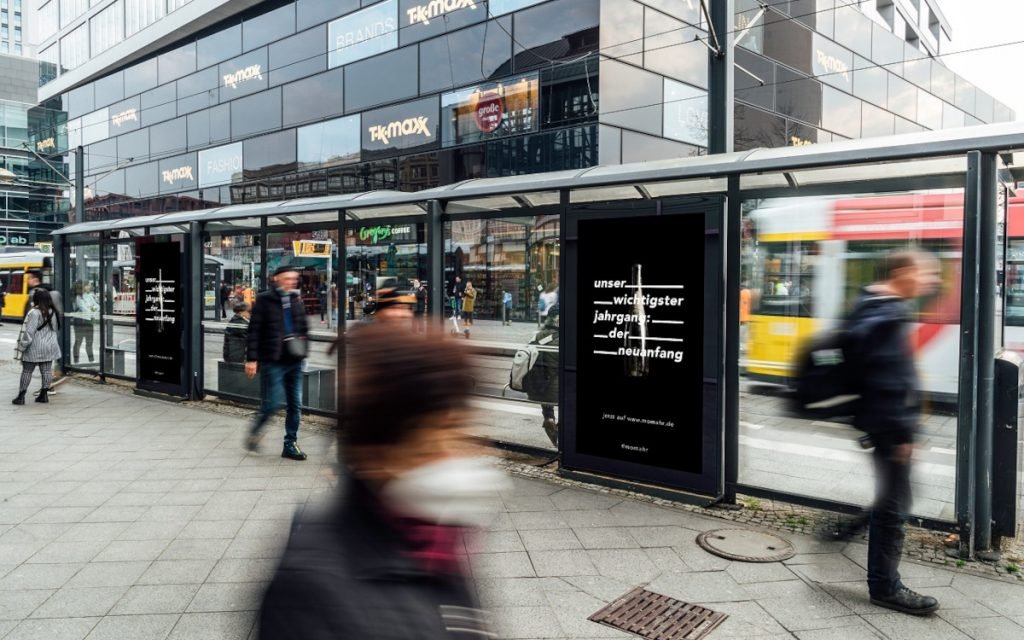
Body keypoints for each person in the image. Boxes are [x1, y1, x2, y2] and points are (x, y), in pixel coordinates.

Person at [258, 323, 508, 639]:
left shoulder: (436, 548)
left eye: (462, 436)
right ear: (377, 457)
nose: (456, 459)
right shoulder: (310, 591)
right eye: (430, 447)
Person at [848, 250, 942, 616]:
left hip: (879, 424)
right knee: (894, 507)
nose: (931, 281)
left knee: (892, 500)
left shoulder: (869, 303)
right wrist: (905, 434)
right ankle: (886, 587)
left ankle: (855, 530)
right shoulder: (888, 314)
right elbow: (889, 380)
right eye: (926, 273)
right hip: (890, 430)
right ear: (902, 273)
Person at [245, 265, 310, 461]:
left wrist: (304, 351)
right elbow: (254, 331)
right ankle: (255, 431)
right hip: (274, 360)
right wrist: (251, 359)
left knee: (295, 405)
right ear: (276, 279)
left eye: (294, 278)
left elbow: (304, 328)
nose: (292, 281)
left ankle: (290, 444)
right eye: (288, 278)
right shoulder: (265, 300)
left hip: (295, 361)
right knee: (273, 403)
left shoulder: (296, 299)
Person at [13, 289, 61, 405]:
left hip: (35, 347)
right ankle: (44, 395)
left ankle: (21, 396)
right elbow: (55, 328)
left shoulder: (34, 312)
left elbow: (29, 332)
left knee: (27, 371)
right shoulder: (53, 311)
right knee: (46, 371)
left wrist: (22, 346)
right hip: (49, 346)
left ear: (36, 299)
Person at [525, 304, 559, 446]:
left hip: (537, 389)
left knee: (548, 379)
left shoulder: (538, 335)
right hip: (558, 393)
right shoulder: (568, 336)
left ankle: (549, 418)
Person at [72, 281, 100, 364]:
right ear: (83, 287)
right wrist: (92, 308)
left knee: (89, 341)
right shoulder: (78, 297)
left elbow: (98, 306)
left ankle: (91, 360)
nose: (89, 287)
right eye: (88, 285)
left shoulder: (89, 296)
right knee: (78, 341)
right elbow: (84, 309)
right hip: (80, 321)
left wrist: (92, 308)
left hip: (89, 321)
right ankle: (76, 360)